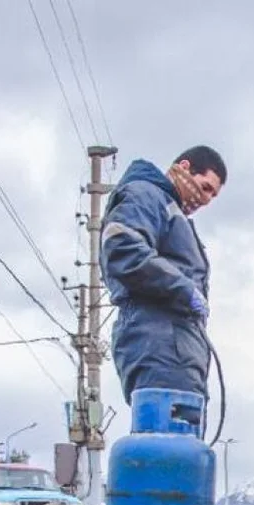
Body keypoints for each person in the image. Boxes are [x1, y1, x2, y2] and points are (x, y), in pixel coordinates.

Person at [100, 146, 227, 405]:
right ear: (184, 167)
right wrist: (184, 289)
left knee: (179, 438)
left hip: (176, 347)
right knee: (163, 437)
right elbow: (123, 247)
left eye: (213, 196)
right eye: (205, 188)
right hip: (158, 342)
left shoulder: (172, 212)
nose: (205, 200)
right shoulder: (147, 195)